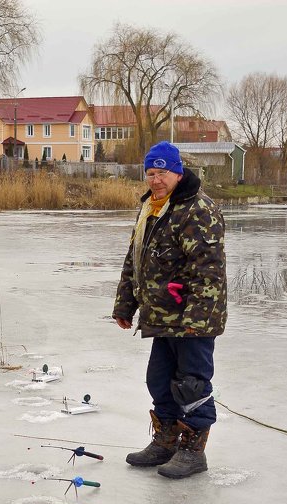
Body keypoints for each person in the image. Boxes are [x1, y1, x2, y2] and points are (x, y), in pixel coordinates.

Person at [113, 141, 227, 480]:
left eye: (162, 172)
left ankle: (192, 451)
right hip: (160, 314)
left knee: (191, 384)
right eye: (150, 173)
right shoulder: (150, 207)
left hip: (193, 318)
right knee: (159, 380)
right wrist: (125, 304)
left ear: (177, 172)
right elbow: (134, 261)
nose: (155, 179)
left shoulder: (198, 209)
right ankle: (166, 441)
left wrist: (197, 320)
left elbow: (209, 270)